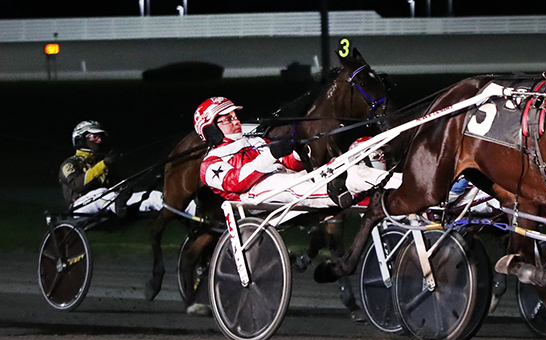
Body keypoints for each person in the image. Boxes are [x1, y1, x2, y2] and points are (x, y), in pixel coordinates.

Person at [195, 96, 339, 209]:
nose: (237, 122)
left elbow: (288, 164)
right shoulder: (210, 163)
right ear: (211, 129)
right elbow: (236, 182)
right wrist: (271, 155)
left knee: (331, 169)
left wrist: (296, 152)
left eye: (235, 117)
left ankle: (357, 184)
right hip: (256, 193)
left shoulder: (255, 140)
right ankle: (339, 193)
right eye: (228, 119)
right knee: (296, 184)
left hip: (283, 179)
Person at [59, 120, 163, 216]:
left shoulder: (101, 160)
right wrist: (104, 164)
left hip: (111, 201)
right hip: (79, 206)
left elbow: (116, 185)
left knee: (154, 196)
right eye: (94, 136)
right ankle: (121, 208)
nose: (99, 140)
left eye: (100, 136)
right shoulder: (69, 164)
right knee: (102, 193)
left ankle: (174, 211)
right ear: (80, 139)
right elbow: (78, 185)